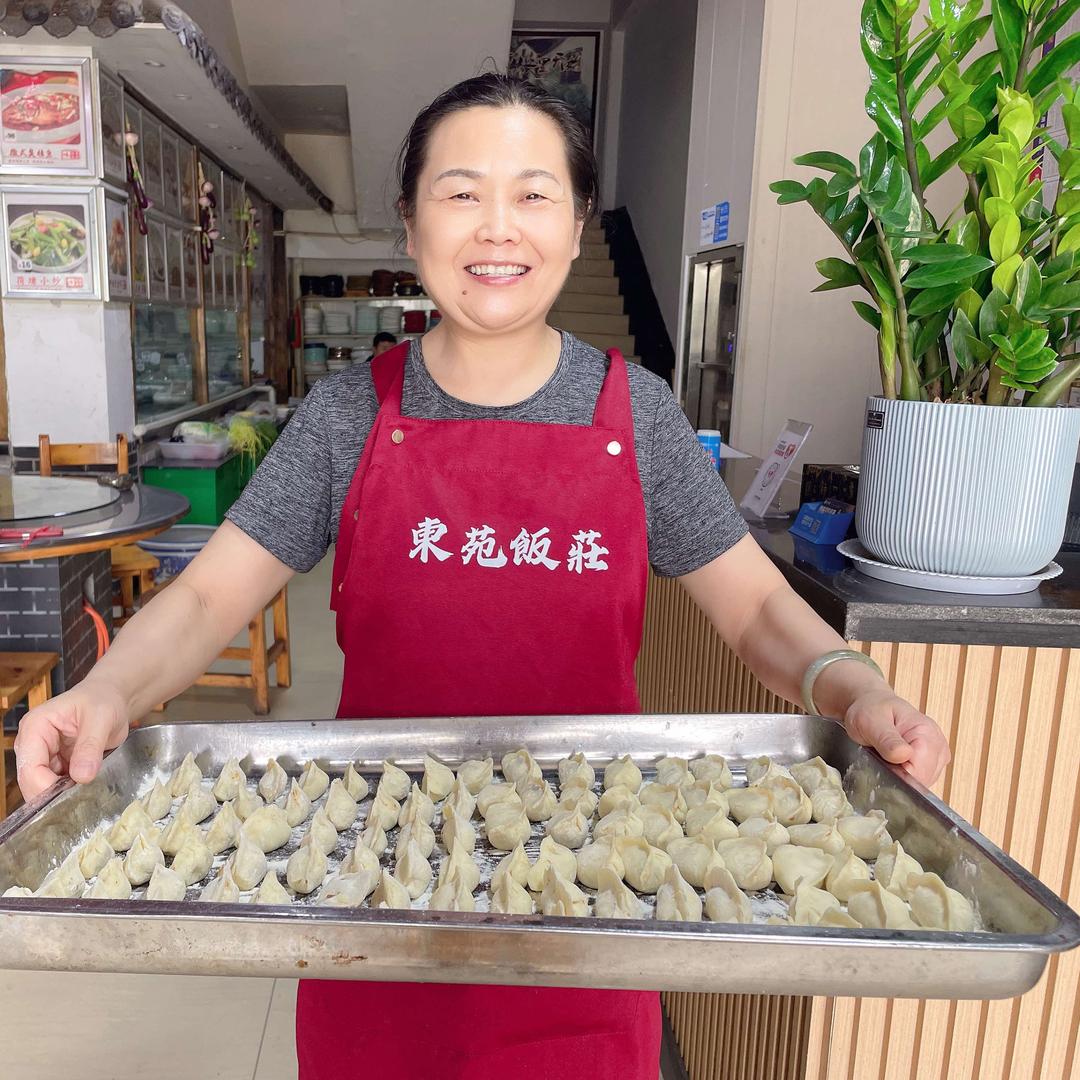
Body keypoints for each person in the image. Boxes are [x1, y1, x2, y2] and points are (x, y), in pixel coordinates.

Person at [15, 73, 950, 1079]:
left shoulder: (638, 415)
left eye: (534, 193)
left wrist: (853, 690)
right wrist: (105, 691)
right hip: (372, 888)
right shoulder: (345, 417)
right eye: (460, 193)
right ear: (412, 226)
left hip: (590, 898)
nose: (496, 227)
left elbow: (758, 604)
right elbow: (208, 594)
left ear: (579, 223)